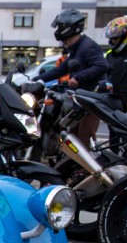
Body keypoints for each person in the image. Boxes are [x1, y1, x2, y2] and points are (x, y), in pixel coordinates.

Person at [37, 9, 110, 148]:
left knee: (84, 142)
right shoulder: (77, 49)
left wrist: (78, 78)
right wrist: (36, 80)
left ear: (66, 29)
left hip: (91, 104)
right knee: (71, 142)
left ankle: (88, 170)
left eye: (59, 27)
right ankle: (71, 168)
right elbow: (61, 69)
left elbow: (102, 65)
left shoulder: (88, 46)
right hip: (79, 103)